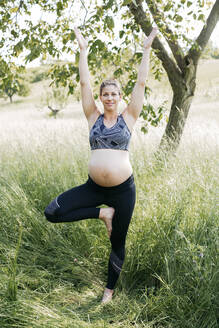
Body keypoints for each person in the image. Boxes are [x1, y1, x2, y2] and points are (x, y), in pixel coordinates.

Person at [44, 26, 158, 304]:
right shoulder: (92, 116)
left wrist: (146, 51)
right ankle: (102, 214)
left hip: (123, 191)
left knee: (118, 242)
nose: (109, 98)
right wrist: (83, 52)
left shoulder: (129, 117)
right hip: (94, 189)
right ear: (101, 97)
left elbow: (141, 84)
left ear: (120, 98)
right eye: (104, 94)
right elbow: (84, 84)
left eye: (113, 94)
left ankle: (109, 291)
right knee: (52, 212)